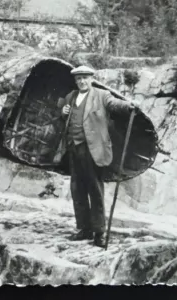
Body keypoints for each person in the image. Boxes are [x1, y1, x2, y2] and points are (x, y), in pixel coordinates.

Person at [61, 65, 138, 248]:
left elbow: (114, 104)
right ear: (75, 80)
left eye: (85, 78)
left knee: (95, 190)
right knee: (77, 190)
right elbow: (64, 115)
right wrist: (62, 113)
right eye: (79, 78)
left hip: (93, 150)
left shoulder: (101, 95)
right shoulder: (71, 97)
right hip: (73, 148)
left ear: (91, 79)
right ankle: (84, 229)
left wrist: (128, 106)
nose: (82, 81)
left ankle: (99, 233)